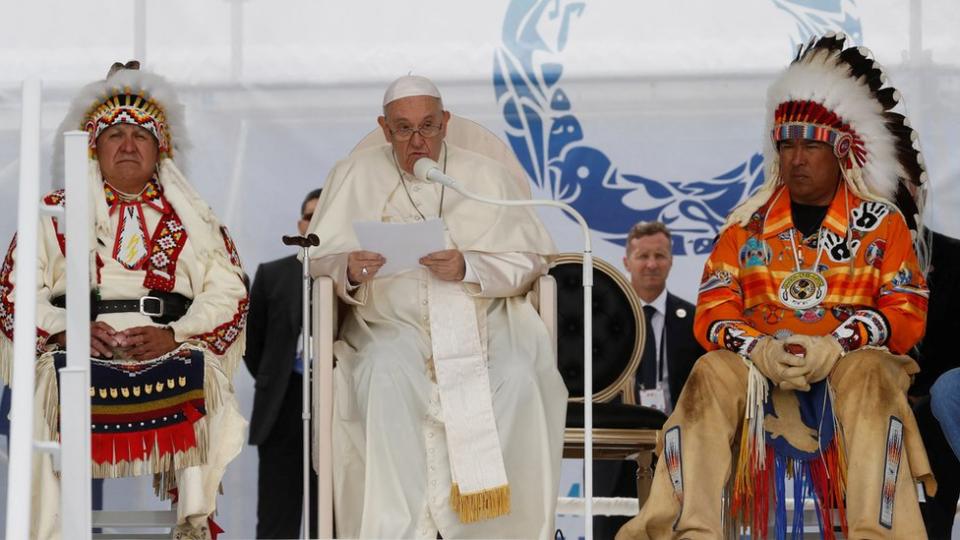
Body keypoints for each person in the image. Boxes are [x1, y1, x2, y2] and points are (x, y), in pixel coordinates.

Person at [617, 35, 934, 539]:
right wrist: (758, 349)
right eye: (787, 145)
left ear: (842, 152)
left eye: (811, 145)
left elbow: (905, 308)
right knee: (707, 373)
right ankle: (687, 531)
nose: (796, 158)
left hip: (848, 367)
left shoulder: (881, 222)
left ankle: (876, 533)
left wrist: (838, 344)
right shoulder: (746, 223)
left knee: (876, 373)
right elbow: (714, 310)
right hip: (757, 367)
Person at [305, 75, 566, 539]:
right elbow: (320, 259)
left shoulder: (487, 177)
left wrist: (469, 265)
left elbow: (529, 261)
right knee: (382, 373)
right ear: (385, 130)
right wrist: (350, 268)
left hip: (486, 321)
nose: (418, 141)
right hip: (391, 326)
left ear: (445, 123)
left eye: (428, 126)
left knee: (521, 377)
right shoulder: (353, 174)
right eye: (403, 130)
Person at [0, 62, 249, 540]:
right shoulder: (54, 213)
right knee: (43, 389)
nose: (129, 145)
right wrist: (65, 328)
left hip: (170, 346)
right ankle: (47, 532)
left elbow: (229, 291)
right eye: (115, 135)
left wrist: (175, 333)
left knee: (207, 379)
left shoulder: (195, 216)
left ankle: (194, 525)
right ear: (94, 147)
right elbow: (15, 293)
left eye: (141, 135)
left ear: (161, 150)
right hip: (75, 348)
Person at [594, 221, 704, 538]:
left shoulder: (694, 321)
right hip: (614, 453)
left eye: (660, 255)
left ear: (671, 261)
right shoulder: (600, 322)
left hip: (675, 452)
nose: (652, 264)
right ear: (627, 261)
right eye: (643, 256)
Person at [244, 188, 321, 539]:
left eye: (324, 215)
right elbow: (252, 344)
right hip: (282, 407)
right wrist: (275, 379)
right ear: (299, 224)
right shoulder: (272, 275)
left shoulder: (358, 275)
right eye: (309, 216)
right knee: (277, 520)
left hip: (335, 407)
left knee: (332, 518)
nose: (315, 222)